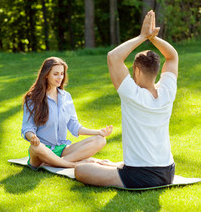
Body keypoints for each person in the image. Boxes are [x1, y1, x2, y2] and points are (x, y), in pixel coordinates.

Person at [75, 10, 179, 188]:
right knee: (101, 163)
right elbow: (172, 56)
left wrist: (142, 36)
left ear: (137, 71)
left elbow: (113, 57)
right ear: (156, 70)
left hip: (139, 175)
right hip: (168, 172)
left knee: (81, 170)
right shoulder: (168, 92)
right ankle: (118, 166)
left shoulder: (132, 94)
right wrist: (153, 38)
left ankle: (120, 168)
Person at [21, 56, 113, 169]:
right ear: (46, 75)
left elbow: (74, 126)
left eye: (62, 73)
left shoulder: (66, 97)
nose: (60, 77)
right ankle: (73, 164)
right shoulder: (32, 99)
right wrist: (33, 138)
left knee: (100, 140)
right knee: (35, 148)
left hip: (62, 149)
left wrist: (98, 132)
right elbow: (27, 128)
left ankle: (53, 162)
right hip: (42, 149)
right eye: (55, 74)